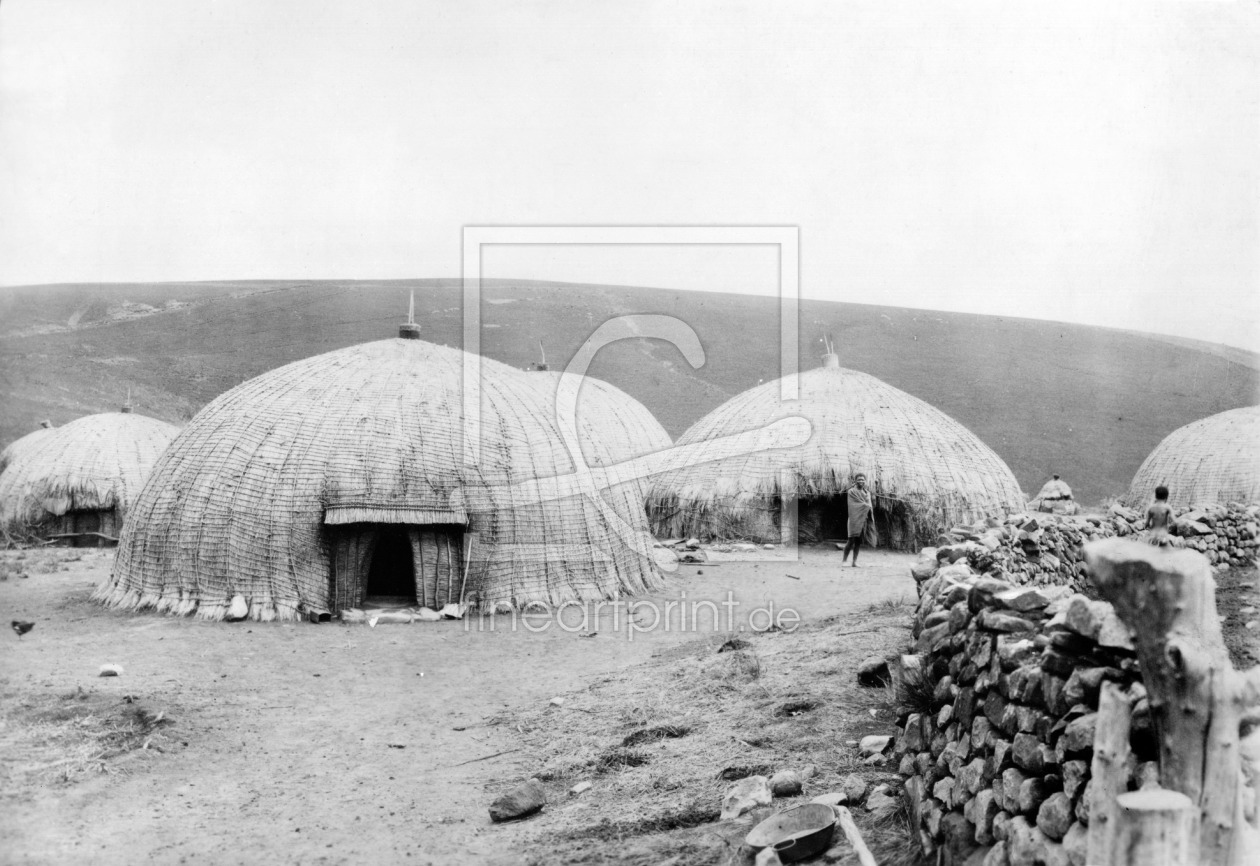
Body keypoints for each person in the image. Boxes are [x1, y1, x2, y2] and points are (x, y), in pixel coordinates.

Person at [840, 473, 876, 567]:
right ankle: (844, 560)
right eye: (859, 479)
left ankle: (854, 562)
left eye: (862, 479)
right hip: (854, 519)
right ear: (855, 481)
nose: (861, 481)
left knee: (858, 541)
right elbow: (853, 505)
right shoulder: (851, 492)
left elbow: (870, 506)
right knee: (851, 540)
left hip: (863, 519)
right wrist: (866, 506)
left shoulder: (867, 493)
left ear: (865, 481)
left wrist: (868, 507)